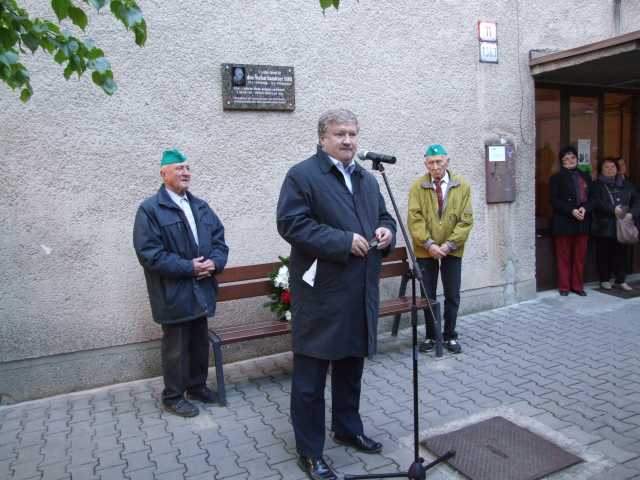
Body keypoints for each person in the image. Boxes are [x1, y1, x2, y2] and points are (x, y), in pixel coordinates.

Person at [276, 109, 396, 480]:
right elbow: (291, 224)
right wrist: (342, 241)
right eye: (339, 134)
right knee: (310, 381)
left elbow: (384, 216)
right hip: (322, 296)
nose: (347, 140)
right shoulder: (302, 176)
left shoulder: (367, 178)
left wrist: (386, 232)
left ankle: (346, 427)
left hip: (359, 292)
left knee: (350, 369)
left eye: (352, 134)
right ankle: (310, 451)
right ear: (322, 138)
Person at [133, 149, 229, 417]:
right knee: (175, 348)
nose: (185, 173)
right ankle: (173, 396)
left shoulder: (200, 206)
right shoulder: (150, 210)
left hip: (202, 289)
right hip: (173, 292)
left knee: (198, 343)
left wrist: (214, 263)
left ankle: (196, 387)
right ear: (164, 174)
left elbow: (220, 241)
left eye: (187, 168)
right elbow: (149, 254)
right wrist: (189, 267)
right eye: (179, 168)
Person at [407, 144, 473, 355]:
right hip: (425, 249)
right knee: (428, 295)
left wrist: (448, 245)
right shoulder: (418, 186)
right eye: (430, 163)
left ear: (447, 162)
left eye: (438, 162)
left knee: (452, 293)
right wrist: (429, 244)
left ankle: (450, 335)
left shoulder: (462, 185)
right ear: (425, 164)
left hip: (452, 248)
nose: (435, 167)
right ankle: (431, 335)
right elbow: (414, 219)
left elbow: (466, 220)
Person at [590, 157, 639, 291]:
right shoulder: (596, 185)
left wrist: (632, 213)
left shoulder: (627, 184)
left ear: (617, 168)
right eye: (606, 167)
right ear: (601, 169)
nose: (610, 169)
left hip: (623, 224)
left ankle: (620, 280)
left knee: (621, 254)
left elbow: (637, 200)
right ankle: (604, 279)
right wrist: (612, 209)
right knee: (604, 254)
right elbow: (596, 203)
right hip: (604, 225)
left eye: (613, 167)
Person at [549, 145, 592, 296]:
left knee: (579, 257)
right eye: (566, 159)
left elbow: (592, 198)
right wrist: (571, 210)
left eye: (572, 157)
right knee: (564, 257)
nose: (570, 160)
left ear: (577, 158)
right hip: (564, 222)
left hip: (582, 221)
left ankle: (577, 286)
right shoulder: (556, 178)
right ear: (562, 162)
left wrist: (585, 208)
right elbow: (554, 200)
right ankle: (564, 287)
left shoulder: (585, 176)